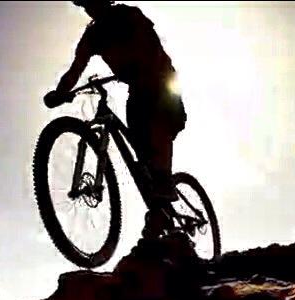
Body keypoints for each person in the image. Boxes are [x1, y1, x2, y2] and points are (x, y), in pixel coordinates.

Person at [44, 0, 187, 238]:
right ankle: (159, 210)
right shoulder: (92, 35)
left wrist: (137, 64)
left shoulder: (126, 14)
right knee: (140, 149)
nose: (89, 6)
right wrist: (61, 92)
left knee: (156, 121)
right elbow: (76, 68)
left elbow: (149, 42)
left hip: (160, 79)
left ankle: (164, 181)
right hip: (137, 88)